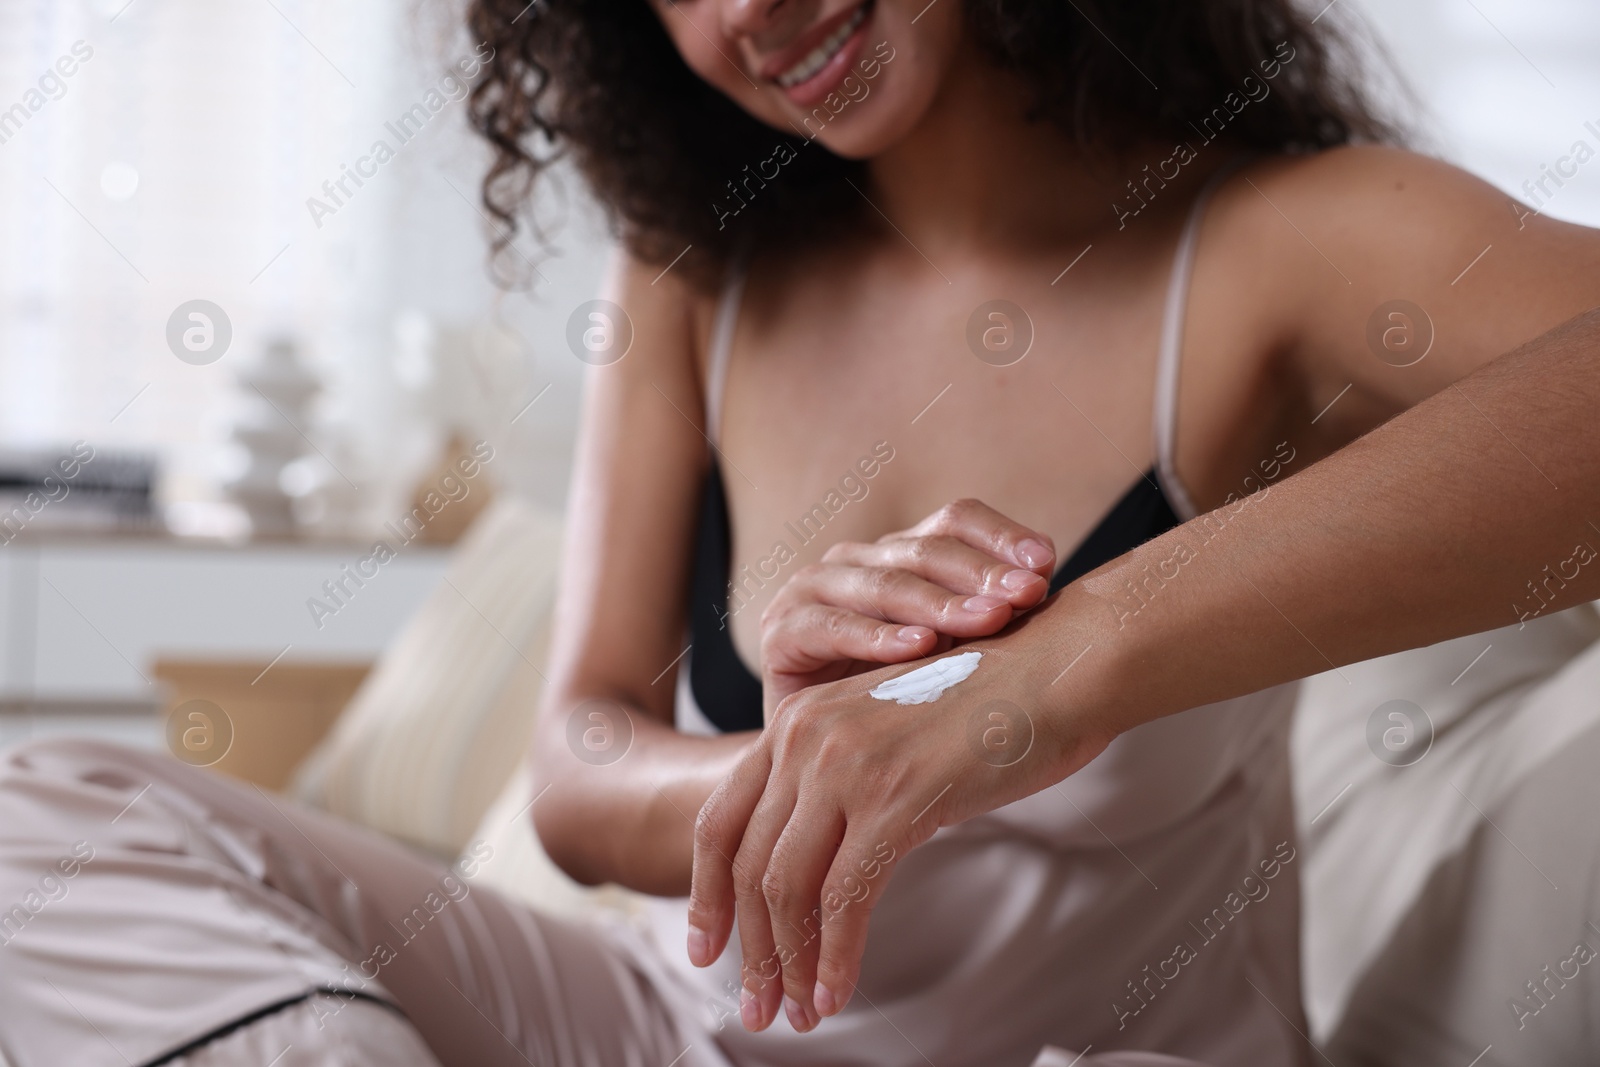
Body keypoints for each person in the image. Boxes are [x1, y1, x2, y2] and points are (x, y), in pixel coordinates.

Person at [3, 2, 1598, 1066]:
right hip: (655, 1032)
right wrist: (811, 762)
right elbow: (577, 763)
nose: (744, 14)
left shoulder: (1277, 248)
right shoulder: (700, 270)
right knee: (38, 814)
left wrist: (1038, 680)